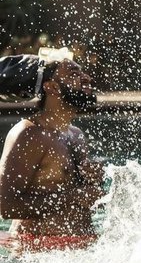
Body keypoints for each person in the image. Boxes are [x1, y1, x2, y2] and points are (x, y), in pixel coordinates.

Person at [0, 52, 103, 251]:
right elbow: (6, 205)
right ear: (52, 87)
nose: (86, 78)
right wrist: (73, 196)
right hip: (38, 252)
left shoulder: (76, 134)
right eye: (74, 73)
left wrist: (94, 181)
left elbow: (82, 197)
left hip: (81, 249)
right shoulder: (29, 134)